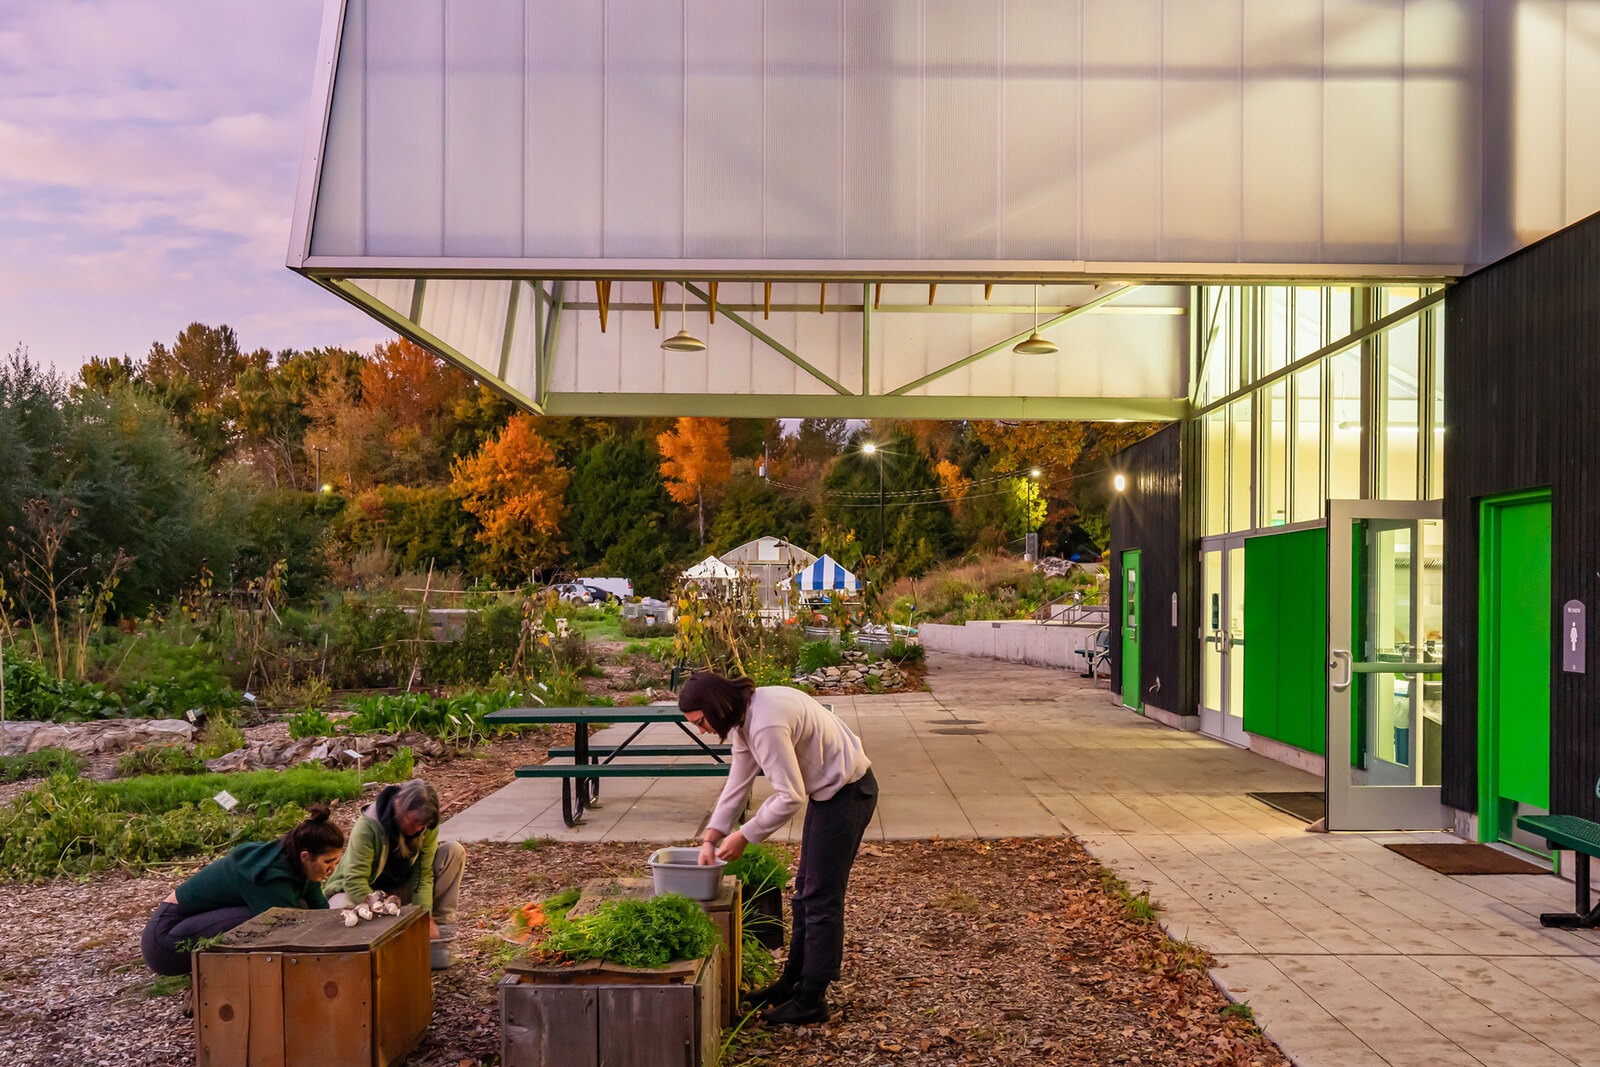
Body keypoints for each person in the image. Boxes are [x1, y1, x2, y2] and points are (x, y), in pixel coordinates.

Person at [679, 672, 878, 1025]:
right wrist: (712, 835)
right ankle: (792, 983)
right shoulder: (746, 716)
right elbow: (737, 782)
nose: (701, 729)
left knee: (821, 898)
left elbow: (790, 796)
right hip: (830, 793)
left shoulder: (765, 724)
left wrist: (745, 835)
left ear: (715, 706)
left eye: (701, 721)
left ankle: (812, 998)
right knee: (804, 893)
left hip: (848, 794)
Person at [141, 804, 345, 977]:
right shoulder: (269, 875)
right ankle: (216, 984)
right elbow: (289, 932)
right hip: (165, 942)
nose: (332, 868)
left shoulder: (297, 862)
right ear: (305, 856)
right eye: (328, 862)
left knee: (296, 909)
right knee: (271, 920)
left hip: (194, 922)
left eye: (336, 861)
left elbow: (320, 910)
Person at [323, 779, 466, 958]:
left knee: (453, 851)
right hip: (360, 895)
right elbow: (354, 881)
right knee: (339, 910)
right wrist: (385, 913)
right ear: (399, 805)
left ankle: (438, 933)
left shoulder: (425, 826)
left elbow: (423, 875)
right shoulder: (367, 827)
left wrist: (425, 917)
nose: (418, 829)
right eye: (414, 821)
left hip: (398, 893)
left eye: (424, 825)